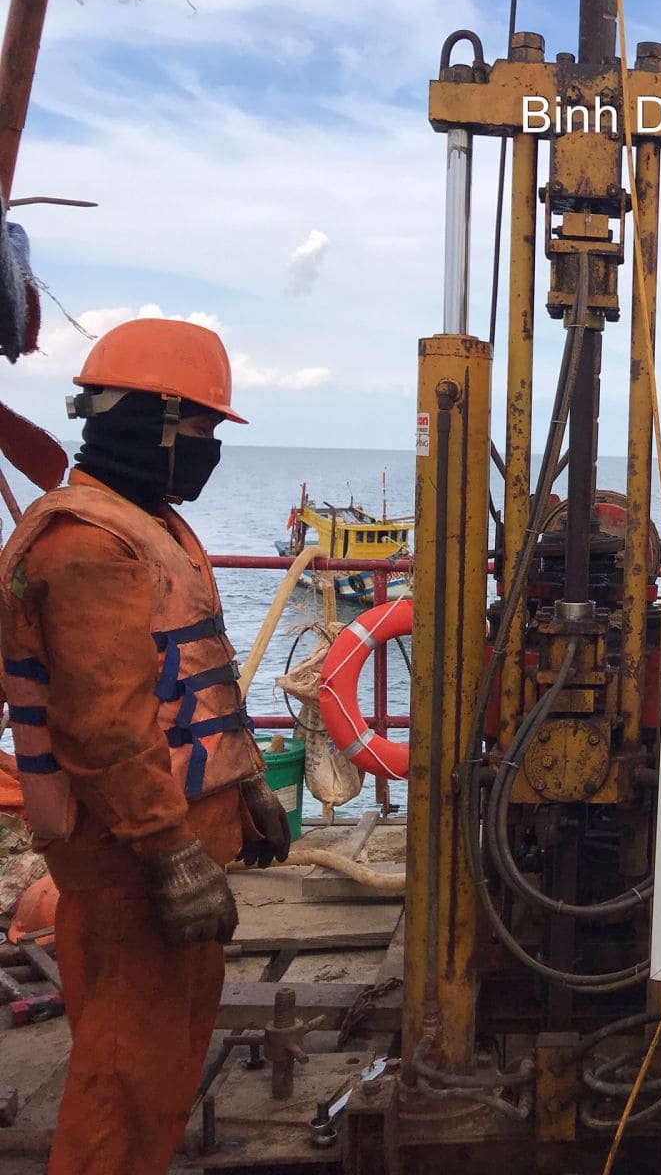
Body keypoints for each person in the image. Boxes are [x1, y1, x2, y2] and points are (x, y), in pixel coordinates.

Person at [0, 318, 291, 1175]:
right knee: (125, 1076)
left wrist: (246, 787)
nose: (209, 449)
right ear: (152, 422)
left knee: (161, 1058)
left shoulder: (148, 523)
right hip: (127, 860)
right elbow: (104, 726)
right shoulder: (88, 544)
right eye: (200, 427)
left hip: (168, 842)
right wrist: (169, 851)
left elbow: (189, 676)